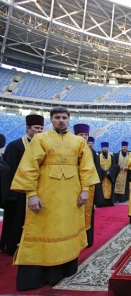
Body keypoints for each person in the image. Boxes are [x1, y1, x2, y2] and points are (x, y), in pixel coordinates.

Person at [10, 106, 99, 291]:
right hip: (46, 198)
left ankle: (64, 270)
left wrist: (85, 190)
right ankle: (41, 276)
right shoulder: (40, 139)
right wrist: (32, 194)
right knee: (43, 231)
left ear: (69, 119)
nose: (61, 120)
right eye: (57, 117)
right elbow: (29, 167)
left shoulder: (79, 142)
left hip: (72, 198)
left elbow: (87, 168)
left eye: (64, 117)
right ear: (51, 119)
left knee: (68, 230)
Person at [0, 114, 44, 255]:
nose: (39, 131)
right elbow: (9, 171)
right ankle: (11, 247)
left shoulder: (43, 146)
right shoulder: (15, 146)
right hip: (18, 193)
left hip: (37, 191)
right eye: (36, 128)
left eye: (41, 128)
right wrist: (11, 195)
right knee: (15, 220)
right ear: (28, 128)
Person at [73, 123, 98, 248]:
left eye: (85, 135)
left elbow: (95, 170)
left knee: (87, 213)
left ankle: (87, 240)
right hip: (73, 186)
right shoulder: (70, 148)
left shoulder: (92, 152)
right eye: (81, 134)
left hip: (88, 187)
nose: (83, 137)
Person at [99, 142, 116, 207]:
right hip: (102, 176)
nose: (105, 149)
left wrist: (109, 172)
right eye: (104, 148)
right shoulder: (98, 157)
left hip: (109, 176)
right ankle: (102, 203)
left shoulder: (111, 156)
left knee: (109, 188)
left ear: (108, 148)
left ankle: (109, 202)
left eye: (106, 148)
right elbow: (98, 166)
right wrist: (104, 172)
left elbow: (114, 165)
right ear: (102, 148)